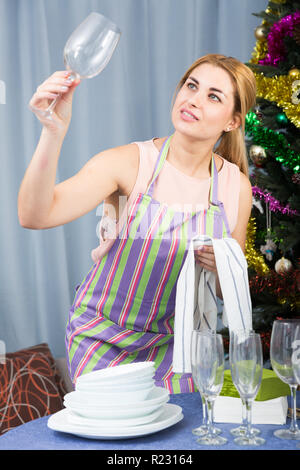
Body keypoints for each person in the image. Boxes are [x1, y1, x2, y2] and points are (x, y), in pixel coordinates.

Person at [18, 54, 256, 393]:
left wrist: (222, 268)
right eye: (191, 86)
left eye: (213, 96)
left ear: (233, 121)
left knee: (176, 444)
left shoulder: (235, 186)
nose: (193, 99)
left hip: (178, 348)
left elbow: (227, 288)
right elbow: (34, 215)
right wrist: (52, 133)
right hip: (102, 338)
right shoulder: (129, 163)